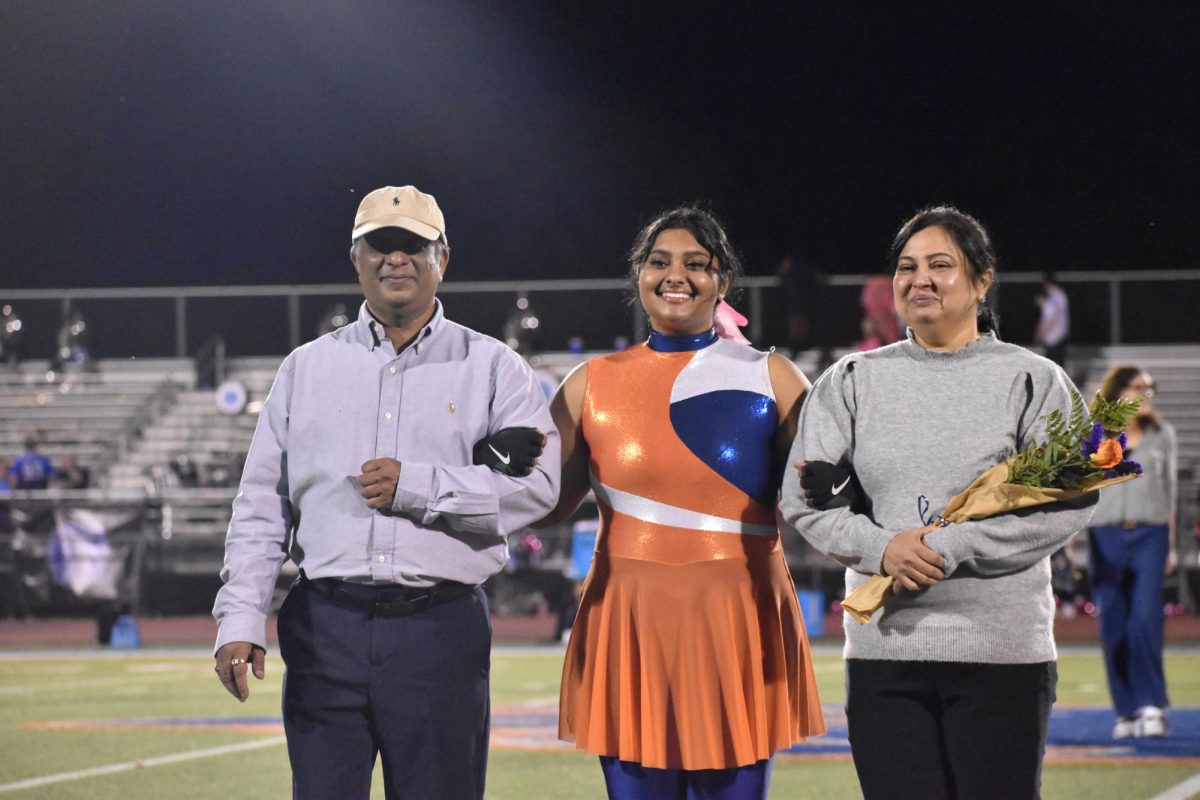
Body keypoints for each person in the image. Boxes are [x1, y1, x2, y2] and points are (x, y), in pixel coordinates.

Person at [211, 185, 560, 800]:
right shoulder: (305, 369)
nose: (396, 259)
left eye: (413, 246)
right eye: (381, 245)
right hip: (326, 627)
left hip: (440, 630)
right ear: (356, 257)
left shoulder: (496, 368)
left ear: (442, 258)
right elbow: (263, 504)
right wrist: (240, 616)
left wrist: (419, 487)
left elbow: (539, 489)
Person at [781, 206, 1099, 800]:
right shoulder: (850, 379)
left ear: (982, 281)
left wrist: (953, 546)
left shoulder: (1035, 380)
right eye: (906, 266)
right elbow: (803, 501)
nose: (919, 278)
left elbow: (1070, 501)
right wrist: (882, 548)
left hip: (1003, 656)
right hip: (884, 656)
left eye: (940, 265)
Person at [545, 206, 825, 799]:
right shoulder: (587, 383)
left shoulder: (773, 377)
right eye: (660, 262)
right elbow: (542, 503)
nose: (676, 275)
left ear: (722, 282)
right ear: (639, 276)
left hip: (737, 614)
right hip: (629, 616)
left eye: (697, 264)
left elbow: (822, 497)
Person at [1087, 366, 1178, 739]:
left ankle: (1152, 706)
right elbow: (1082, 485)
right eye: (1138, 387)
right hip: (1104, 535)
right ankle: (1125, 711)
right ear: (1118, 391)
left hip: (1150, 534)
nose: (1146, 394)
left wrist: (1171, 543)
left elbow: (1170, 492)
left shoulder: (1162, 435)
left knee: (1145, 617)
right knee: (1114, 624)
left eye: (1150, 388)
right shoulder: (1096, 435)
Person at [1034, 272, 1069, 366]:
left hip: (1054, 335)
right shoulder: (1060, 294)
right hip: (1059, 333)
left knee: (1054, 362)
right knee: (1058, 362)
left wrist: (1041, 332)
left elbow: (1052, 317)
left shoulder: (1054, 296)